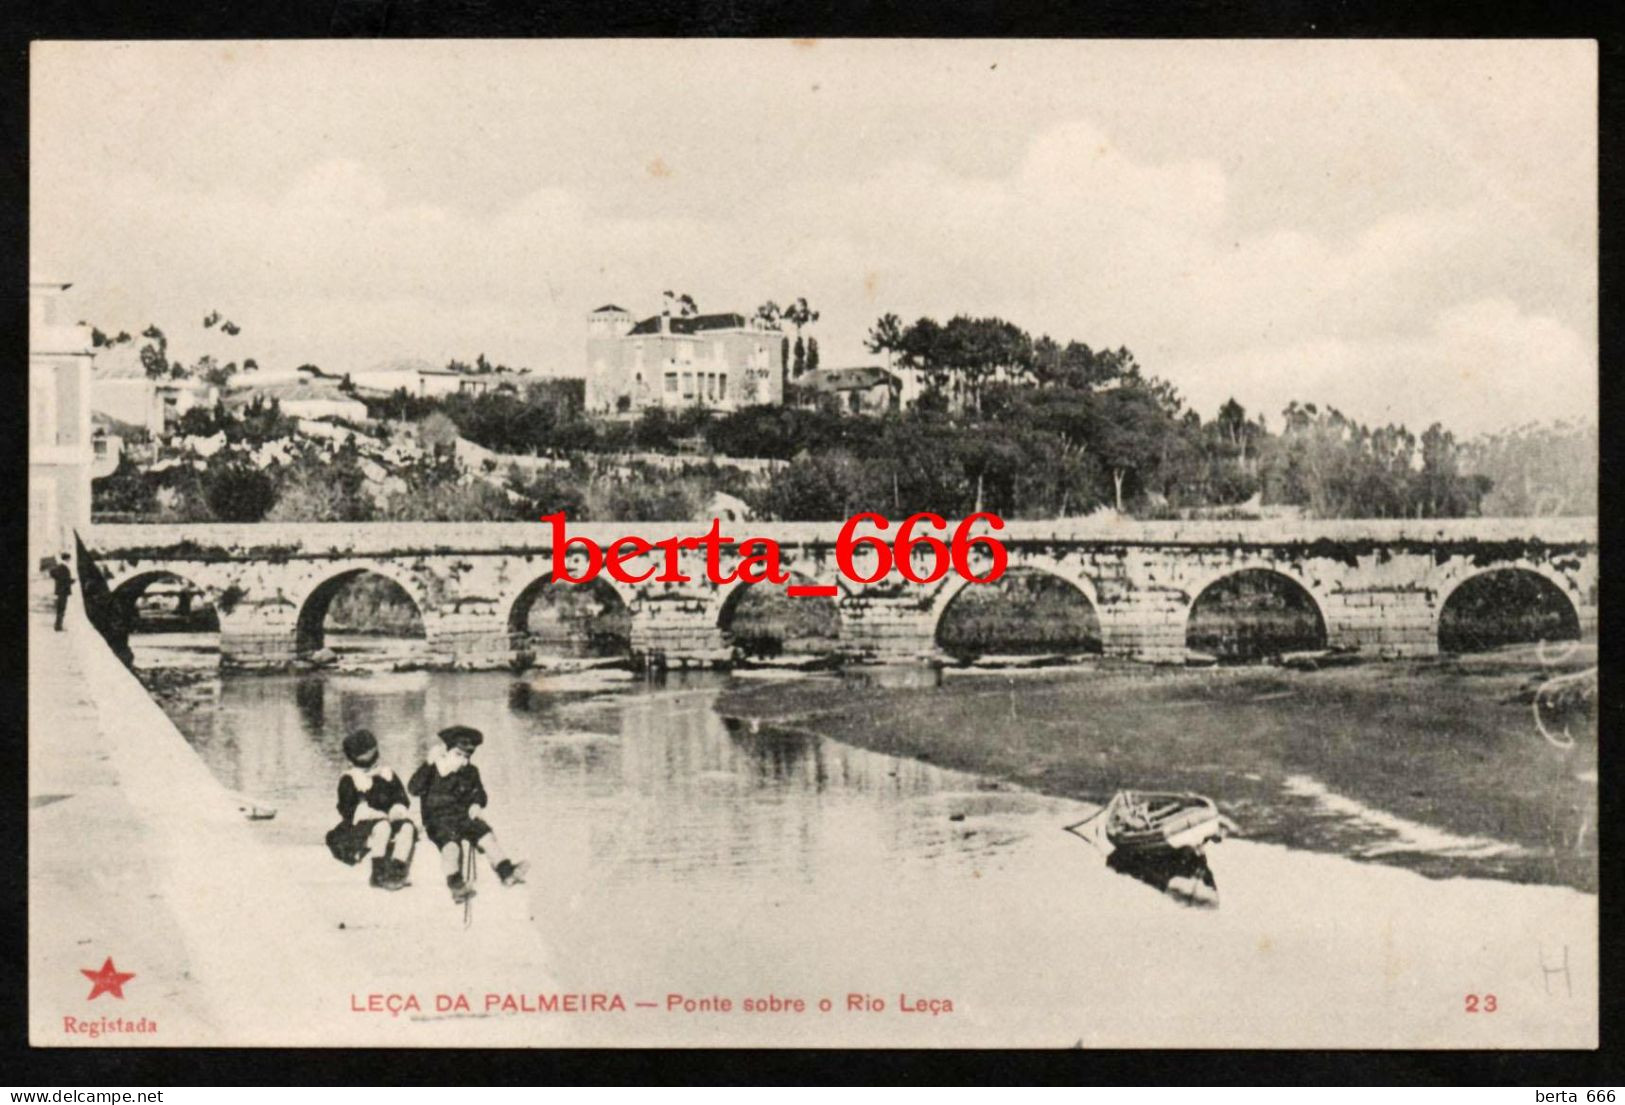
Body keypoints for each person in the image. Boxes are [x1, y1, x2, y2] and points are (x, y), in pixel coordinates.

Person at [408, 725, 527, 904]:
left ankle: (506, 872)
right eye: (458, 755)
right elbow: (413, 788)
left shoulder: (470, 771)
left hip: (462, 818)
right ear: (446, 752)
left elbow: (481, 794)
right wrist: (427, 763)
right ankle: (456, 885)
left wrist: (476, 804)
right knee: (451, 846)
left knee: (485, 835)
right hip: (438, 820)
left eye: (467, 756)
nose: (463, 761)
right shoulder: (433, 770)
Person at [324, 730, 417, 891]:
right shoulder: (350, 778)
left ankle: (397, 871)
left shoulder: (386, 774)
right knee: (382, 827)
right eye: (364, 757)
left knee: (407, 828)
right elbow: (347, 809)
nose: (371, 762)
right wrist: (369, 813)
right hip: (362, 825)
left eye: (372, 755)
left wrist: (397, 808)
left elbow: (401, 797)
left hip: (390, 818)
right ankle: (378, 873)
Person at [49, 554, 74, 631]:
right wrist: (71, 581)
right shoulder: (63, 568)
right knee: (61, 609)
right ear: (66, 559)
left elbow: (52, 573)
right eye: (69, 559)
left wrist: (58, 580)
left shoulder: (59, 567)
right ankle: (58, 627)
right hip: (63, 591)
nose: (70, 560)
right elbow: (64, 579)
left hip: (61, 591)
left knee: (61, 609)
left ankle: (58, 626)